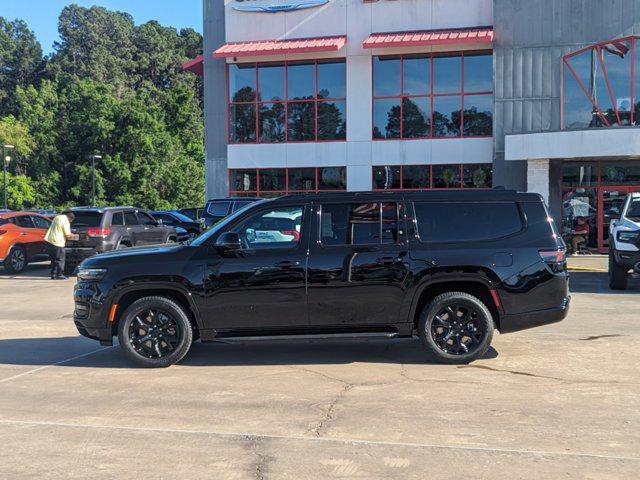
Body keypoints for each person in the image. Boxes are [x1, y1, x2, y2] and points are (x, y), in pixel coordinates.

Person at [44, 212, 77, 279]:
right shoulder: (65, 221)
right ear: (70, 218)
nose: (70, 222)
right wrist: (75, 235)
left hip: (49, 240)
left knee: (54, 259)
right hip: (57, 242)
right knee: (60, 259)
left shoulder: (57, 217)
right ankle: (59, 275)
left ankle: (53, 275)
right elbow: (67, 235)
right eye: (71, 221)